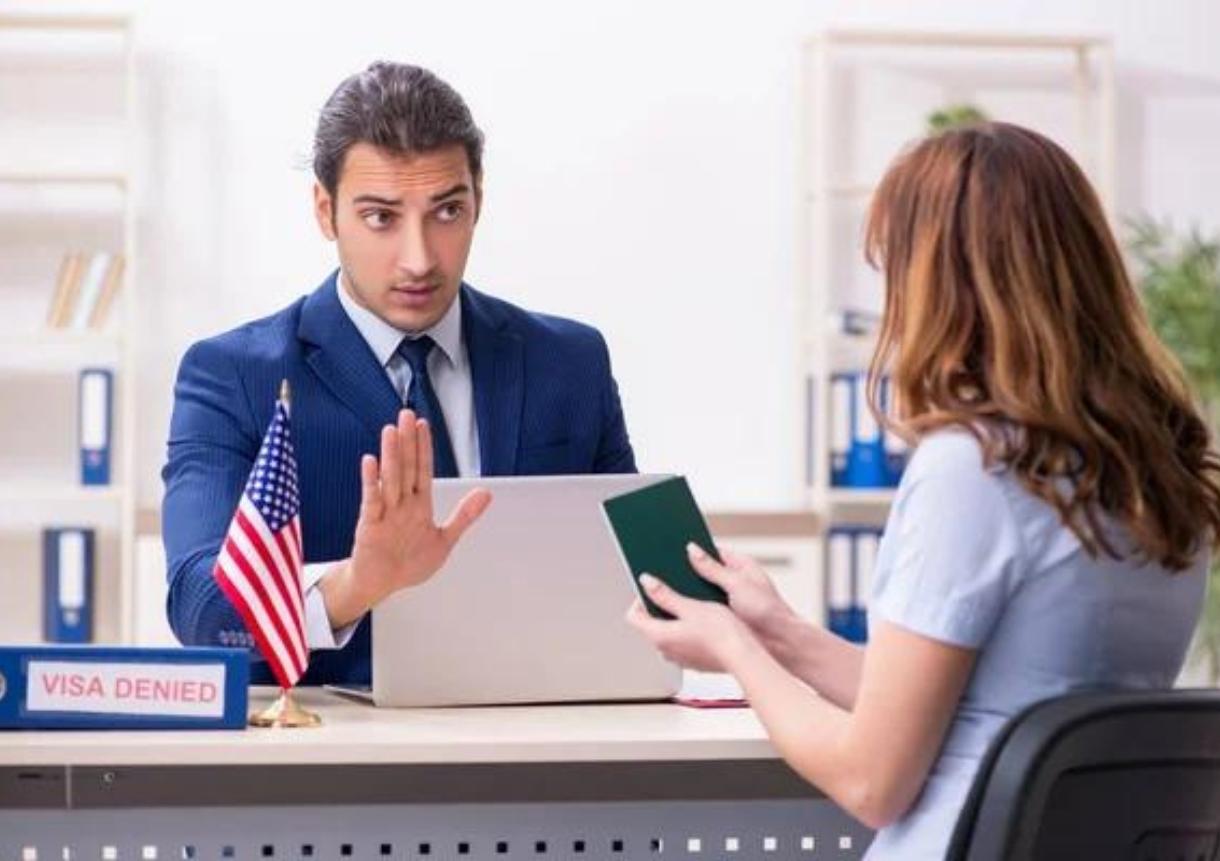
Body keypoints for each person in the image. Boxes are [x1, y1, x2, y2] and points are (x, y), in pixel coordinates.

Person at [628, 122, 1220, 859]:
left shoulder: (974, 468)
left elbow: (870, 777)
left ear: (941, 282)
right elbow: (972, 702)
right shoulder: (1157, 468)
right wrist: (775, 631)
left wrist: (732, 651)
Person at [163, 62, 636, 685]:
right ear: (326, 213)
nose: (418, 259)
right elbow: (201, 608)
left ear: (478, 203)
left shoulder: (570, 363)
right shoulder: (231, 376)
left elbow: (635, 577)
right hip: (337, 764)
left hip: (541, 740)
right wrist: (356, 585)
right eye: (382, 218)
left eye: (446, 212)